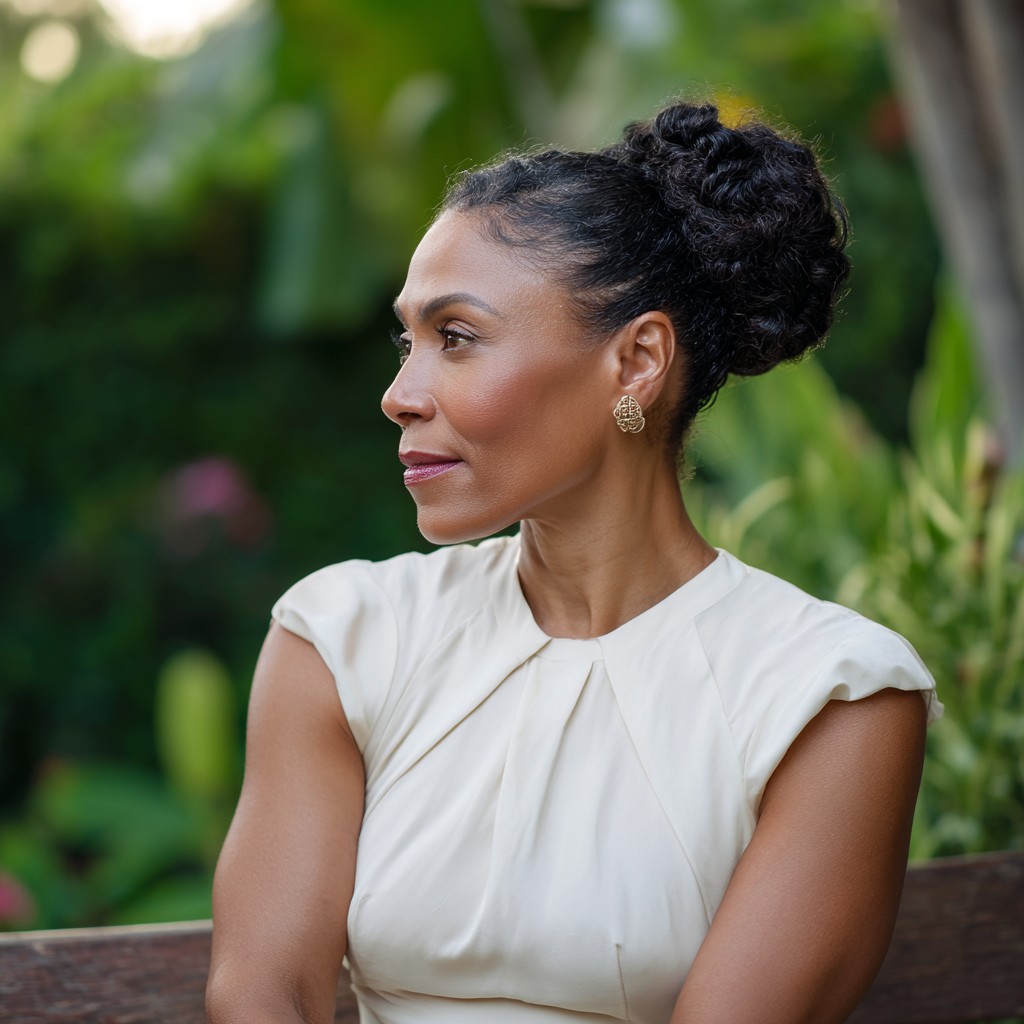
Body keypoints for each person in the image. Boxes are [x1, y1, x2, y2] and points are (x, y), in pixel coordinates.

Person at [206, 101, 942, 1024]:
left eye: (457, 338)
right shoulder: (345, 640)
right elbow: (263, 991)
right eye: (409, 341)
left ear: (636, 361)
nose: (400, 395)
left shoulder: (827, 695)